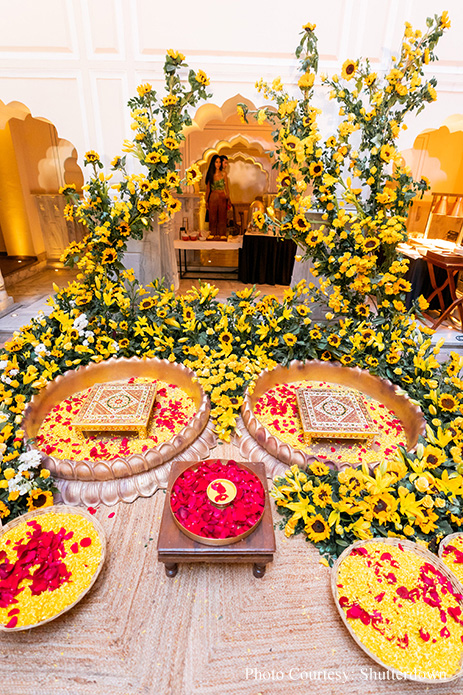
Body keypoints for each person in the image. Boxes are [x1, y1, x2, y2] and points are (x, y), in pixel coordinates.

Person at [205, 154, 230, 239]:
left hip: (222, 197)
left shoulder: (224, 174)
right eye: (216, 162)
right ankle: (212, 234)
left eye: (220, 162)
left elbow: (227, 188)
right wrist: (206, 201)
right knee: (212, 217)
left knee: (222, 217)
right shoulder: (210, 175)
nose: (218, 164)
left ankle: (222, 235)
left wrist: (228, 198)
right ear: (213, 163)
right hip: (213, 197)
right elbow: (208, 189)